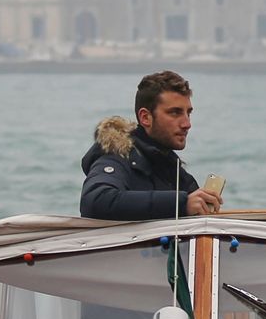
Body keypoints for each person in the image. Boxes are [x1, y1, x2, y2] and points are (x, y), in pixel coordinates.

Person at [79, 70, 223, 220]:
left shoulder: (177, 174)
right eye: (175, 113)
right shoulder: (116, 157)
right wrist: (181, 204)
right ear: (145, 117)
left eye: (188, 113)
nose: (187, 124)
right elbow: (95, 202)